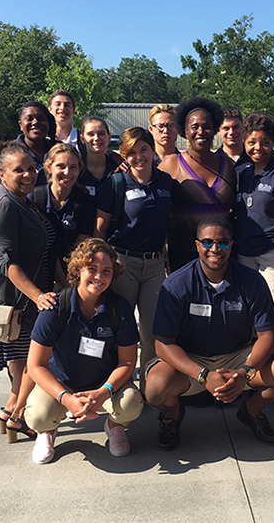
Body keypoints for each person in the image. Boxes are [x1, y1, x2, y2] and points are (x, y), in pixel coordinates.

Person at [145, 216, 274, 449]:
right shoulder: (176, 284)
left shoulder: (251, 280)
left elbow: (268, 335)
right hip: (192, 359)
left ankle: (251, 411)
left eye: (223, 242)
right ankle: (172, 415)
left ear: (232, 244)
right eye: (207, 242)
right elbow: (162, 344)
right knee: (155, 389)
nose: (215, 249)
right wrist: (203, 375)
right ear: (197, 245)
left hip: (238, 356)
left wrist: (245, 373)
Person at [25, 238, 144, 464]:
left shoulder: (119, 308)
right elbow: (35, 365)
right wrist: (66, 398)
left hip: (104, 383)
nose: (99, 277)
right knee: (38, 416)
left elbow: (128, 362)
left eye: (106, 271)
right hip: (63, 383)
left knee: (130, 403)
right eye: (92, 269)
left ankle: (115, 426)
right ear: (78, 270)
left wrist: (103, 392)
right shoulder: (56, 307)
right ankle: (47, 432)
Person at [0, 141, 58, 443]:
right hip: (11, 296)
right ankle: (16, 414)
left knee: (23, 362)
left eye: (31, 168)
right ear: (0, 173)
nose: (27, 174)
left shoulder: (24, 200)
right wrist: (38, 296)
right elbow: (8, 264)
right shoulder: (4, 205)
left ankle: (11, 412)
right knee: (32, 361)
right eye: (17, 170)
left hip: (26, 295)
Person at [94, 127, 173, 393]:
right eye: (131, 152)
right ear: (123, 155)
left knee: (152, 331)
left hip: (154, 265)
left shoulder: (165, 182)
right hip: (122, 264)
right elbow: (99, 230)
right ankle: (121, 386)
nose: (139, 157)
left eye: (144, 150)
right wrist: (104, 268)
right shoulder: (115, 185)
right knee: (122, 327)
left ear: (152, 150)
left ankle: (151, 386)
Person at [234, 112, 274, 414]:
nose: (258, 147)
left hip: (272, 254)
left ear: (273, 143)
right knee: (247, 317)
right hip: (244, 254)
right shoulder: (240, 170)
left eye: (265, 142)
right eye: (252, 142)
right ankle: (254, 375)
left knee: (272, 317)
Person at [158, 97, 237, 272]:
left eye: (206, 126)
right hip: (183, 255)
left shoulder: (228, 166)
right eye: (194, 127)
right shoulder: (171, 164)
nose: (201, 131)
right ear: (185, 132)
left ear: (215, 130)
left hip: (220, 255)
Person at [31, 143, 95, 283]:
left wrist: (67, 282)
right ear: (49, 168)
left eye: (73, 167)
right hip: (39, 272)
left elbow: (82, 246)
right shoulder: (35, 199)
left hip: (72, 273)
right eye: (61, 166)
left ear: (79, 170)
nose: (67, 172)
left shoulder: (85, 201)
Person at [0, 102, 56, 204]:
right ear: (21, 125)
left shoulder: (60, 151)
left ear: (48, 123)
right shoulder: (6, 154)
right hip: (18, 216)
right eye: (29, 119)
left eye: (41, 118)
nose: (35, 122)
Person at [78, 116, 123, 197]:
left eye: (101, 134)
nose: (96, 138)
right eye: (90, 134)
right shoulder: (76, 169)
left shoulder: (119, 168)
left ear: (109, 137)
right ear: (82, 138)